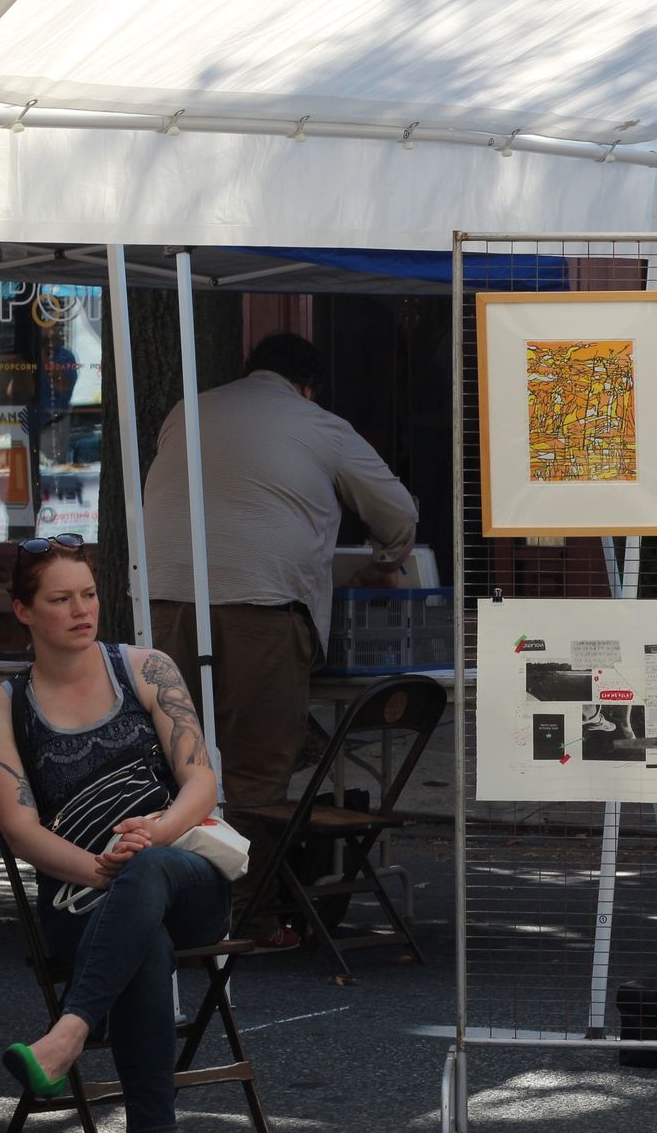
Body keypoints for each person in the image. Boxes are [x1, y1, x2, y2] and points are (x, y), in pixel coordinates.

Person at [143, 333, 417, 943]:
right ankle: (247, 912)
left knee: (175, 757)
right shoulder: (320, 423)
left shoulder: (189, 409)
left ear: (251, 370)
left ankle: (164, 899)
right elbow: (397, 512)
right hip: (263, 604)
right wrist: (386, 556)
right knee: (255, 770)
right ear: (307, 386)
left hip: (164, 598)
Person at [0, 535, 227, 1130]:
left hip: (183, 872)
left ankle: (65, 1036)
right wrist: (99, 869)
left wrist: (157, 834)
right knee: (145, 943)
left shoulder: (145, 669)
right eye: (61, 599)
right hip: (79, 894)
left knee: (144, 871)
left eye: (88, 594)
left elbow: (201, 783)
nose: (82, 610)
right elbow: (19, 830)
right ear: (24, 611)